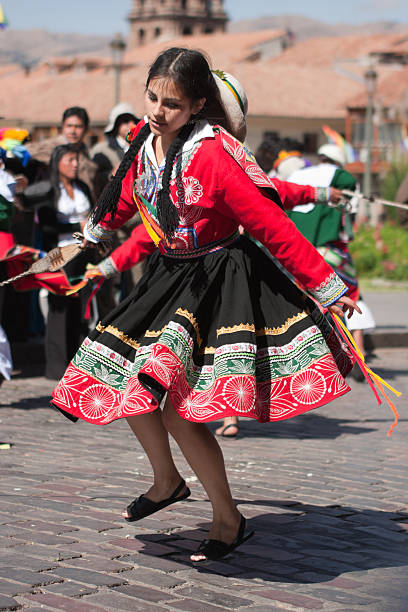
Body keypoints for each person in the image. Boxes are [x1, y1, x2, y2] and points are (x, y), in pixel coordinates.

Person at [51, 48, 360, 565]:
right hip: (168, 277)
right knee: (123, 380)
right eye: (151, 96)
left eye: (171, 103)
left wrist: (330, 287)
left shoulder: (212, 154)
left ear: (198, 105)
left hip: (216, 280)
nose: (156, 110)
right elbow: (125, 200)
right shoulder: (143, 146)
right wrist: (83, 242)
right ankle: (167, 480)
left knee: (177, 409)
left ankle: (227, 518)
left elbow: (269, 222)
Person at [286, 143, 376, 381]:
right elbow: (349, 192)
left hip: (300, 254)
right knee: (352, 296)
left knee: (304, 304)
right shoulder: (338, 176)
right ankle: (360, 356)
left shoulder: (296, 176)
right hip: (330, 253)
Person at [24, 144, 95, 379]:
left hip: (83, 255)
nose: (75, 165)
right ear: (57, 163)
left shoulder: (82, 187)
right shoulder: (48, 191)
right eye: (70, 160)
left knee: (80, 308)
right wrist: (77, 227)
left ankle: (77, 362)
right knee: (59, 309)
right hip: (59, 255)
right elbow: (46, 226)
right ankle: (56, 367)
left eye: (77, 160)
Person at [91, 103, 139, 198]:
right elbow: (96, 181)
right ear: (115, 125)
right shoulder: (101, 150)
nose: (131, 124)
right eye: (125, 121)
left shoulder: (142, 146)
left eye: (133, 120)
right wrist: (111, 176)